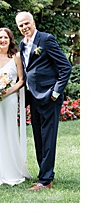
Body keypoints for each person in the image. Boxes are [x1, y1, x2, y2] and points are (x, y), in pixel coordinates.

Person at [16, 12, 71, 191]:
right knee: (39, 138)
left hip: (49, 98)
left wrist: (55, 92)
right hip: (33, 98)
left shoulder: (46, 39)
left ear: (33, 22)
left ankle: (45, 181)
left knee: (48, 138)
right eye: (21, 26)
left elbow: (65, 67)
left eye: (26, 23)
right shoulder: (22, 45)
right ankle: (45, 175)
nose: (24, 28)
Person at [0, 27, 30, 186]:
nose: (2, 40)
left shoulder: (16, 57)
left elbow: (21, 80)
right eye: (0, 38)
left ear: (10, 40)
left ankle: (12, 171)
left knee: (9, 131)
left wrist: (8, 91)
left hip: (10, 99)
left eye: (5, 38)